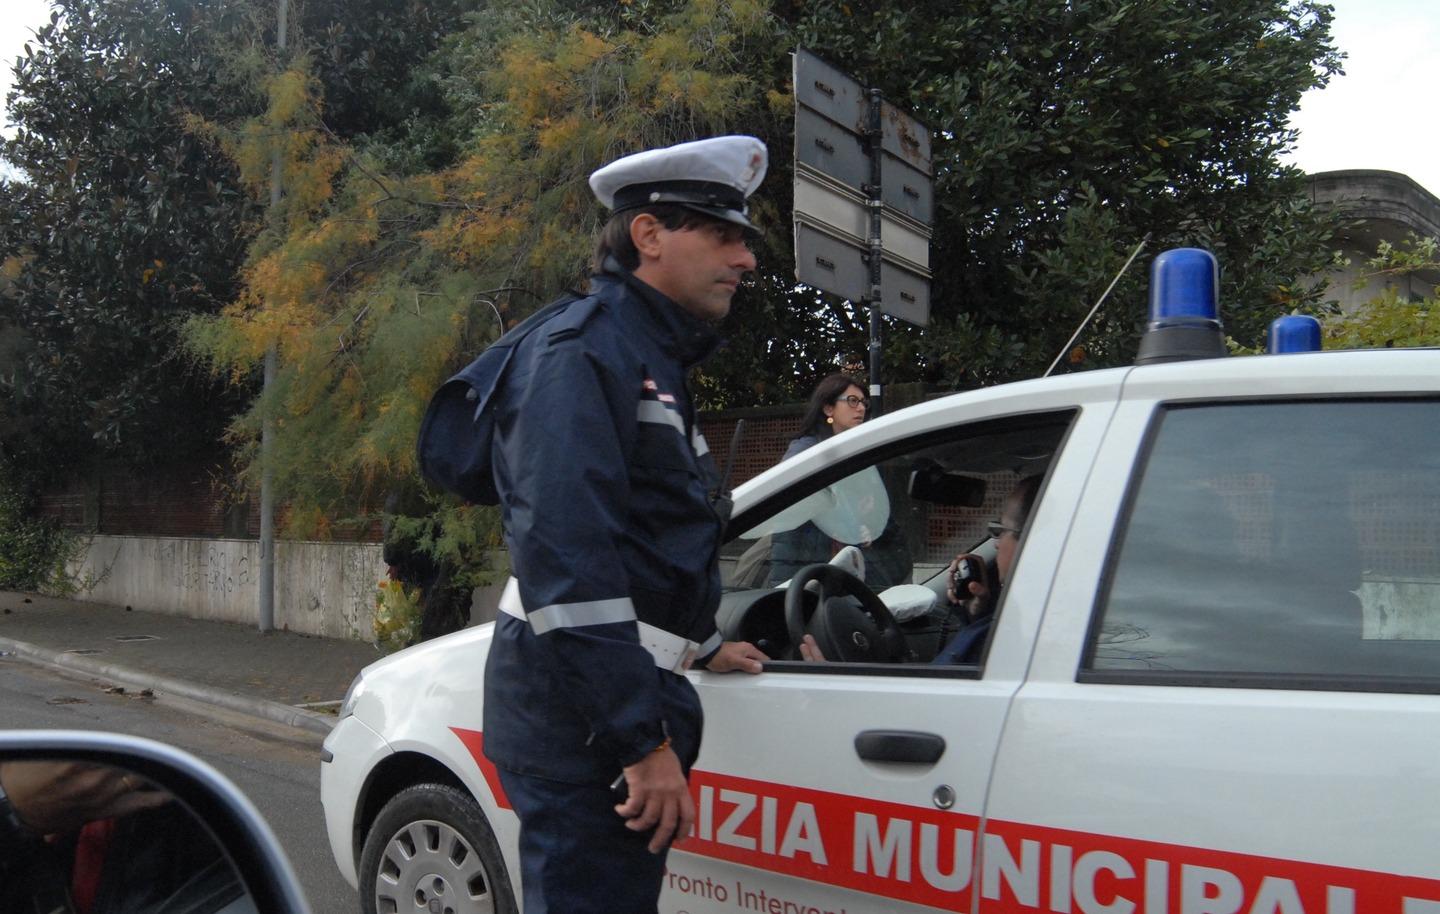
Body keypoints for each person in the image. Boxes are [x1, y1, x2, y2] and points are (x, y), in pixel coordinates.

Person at [480, 135, 771, 914]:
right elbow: (568, 564)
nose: (745, 260)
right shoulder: (583, 353)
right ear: (649, 235)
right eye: (724, 235)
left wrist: (701, 640)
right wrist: (638, 743)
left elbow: (655, 528)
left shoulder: (648, 352)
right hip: (583, 718)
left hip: (612, 695)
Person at [800, 474, 1042, 665]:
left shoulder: (1021, 639)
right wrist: (978, 613)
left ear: (1033, 538)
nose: (997, 543)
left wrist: (837, 691)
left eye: (1000, 531)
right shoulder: (1021, 626)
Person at [766, 373, 910, 588]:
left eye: (863, 402)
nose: (861, 408)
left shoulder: (857, 452)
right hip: (805, 563)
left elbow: (872, 511)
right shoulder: (805, 452)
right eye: (852, 401)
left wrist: (868, 523)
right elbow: (803, 508)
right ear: (828, 409)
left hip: (849, 562)